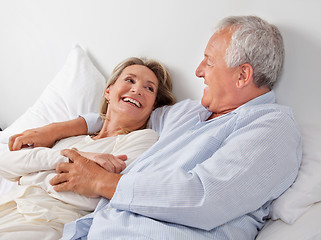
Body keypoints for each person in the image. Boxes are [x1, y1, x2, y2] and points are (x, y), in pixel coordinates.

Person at [9, 16, 302, 240]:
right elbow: (127, 114)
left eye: (209, 62)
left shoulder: (272, 128)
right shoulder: (191, 113)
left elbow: (203, 197)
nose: (199, 70)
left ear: (243, 75)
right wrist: (57, 129)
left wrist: (101, 182)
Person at [0, 57, 175, 239]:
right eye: (130, 80)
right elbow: (5, 163)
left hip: (45, 220)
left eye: (149, 88)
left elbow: (95, 196)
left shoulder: (143, 139)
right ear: (108, 91)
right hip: (10, 204)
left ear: (153, 105)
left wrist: (32, 174)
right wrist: (76, 157)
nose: (137, 89)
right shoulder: (75, 136)